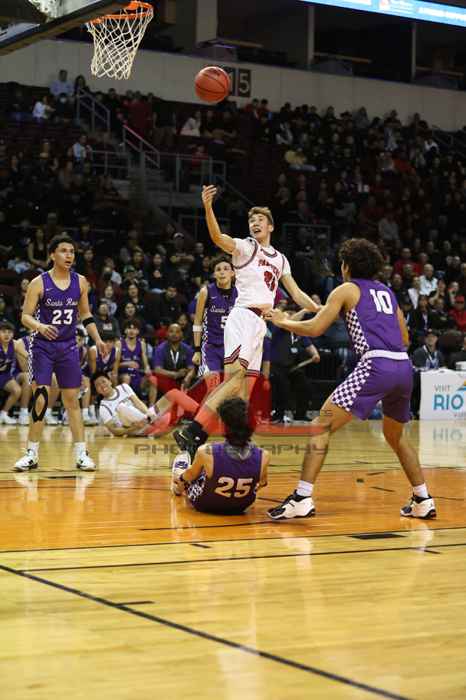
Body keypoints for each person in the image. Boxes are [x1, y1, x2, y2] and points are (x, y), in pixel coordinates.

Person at [266, 238, 436, 521]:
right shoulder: (386, 291)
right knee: (395, 436)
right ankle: (423, 499)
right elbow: (405, 337)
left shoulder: (346, 289)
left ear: (346, 266)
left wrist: (283, 321)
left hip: (376, 364)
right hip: (403, 367)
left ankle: (301, 498)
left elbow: (315, 328)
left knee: (319, 426)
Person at [174, 185, 320, 458]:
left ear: (271, 227)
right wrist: (208, 207)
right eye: (252, 220)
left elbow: (296, 293)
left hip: (260, 325)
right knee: (234, 380)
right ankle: (193, 431)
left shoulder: (281, 259)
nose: (255, 223)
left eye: (260, 220)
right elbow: (217, 237)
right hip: (242, 317)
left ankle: (235, 442)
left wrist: (319, 308)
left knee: (244, 390)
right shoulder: (245, 247)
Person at [14, 234, 106, 472]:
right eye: (64, 250)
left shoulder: (81, 282)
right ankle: (31, 454)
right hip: (42, 347)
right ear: (52, 255)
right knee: (41, 399)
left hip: (68, 347)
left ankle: (82, 454)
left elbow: (86, 315)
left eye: (72, 251)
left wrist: (97, 339)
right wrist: (40, 326)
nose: (69, 255)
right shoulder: (38, 283)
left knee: (72, 400)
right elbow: (25, 316)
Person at [172, 398, 269, 514]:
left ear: (223, 426)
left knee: (184, 472)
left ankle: (177, 485)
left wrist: (181, 479)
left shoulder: (206, 451)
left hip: (205, 504)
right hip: (241, 507)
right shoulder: (264, 455)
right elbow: (262, 483)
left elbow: (190, 476)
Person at [94, 372, 199, 438]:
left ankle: (201, 414)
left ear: (110, 381)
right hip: (134, 427)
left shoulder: (124, 387)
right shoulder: (103, 407)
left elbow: (138, 403)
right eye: (98, 385)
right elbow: (114, 430)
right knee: (121, 407)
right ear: (97, 390)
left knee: (174, 393)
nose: (102, 385)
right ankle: (157, 425)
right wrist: (131, 429)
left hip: (145, 417)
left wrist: (149, 414)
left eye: (103, 381)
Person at [192, 255, 237, 376]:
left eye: (226, 269)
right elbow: (197, 321)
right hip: (211, 347)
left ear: (232, 273)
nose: (222, 272)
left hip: (233, 347)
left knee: (231, 385)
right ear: (214, 274)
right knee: (212, 382)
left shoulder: (239, 293)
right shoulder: (206, 291)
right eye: (218, 269)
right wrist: (197, 350)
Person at [149, 323, 196, 403]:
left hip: (182, 381)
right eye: (171, 331)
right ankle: (151, 407)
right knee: (153, 379)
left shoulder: (188, 349)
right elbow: (157, 370)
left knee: (194, 379)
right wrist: (174, 374)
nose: (174, 334)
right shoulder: (160, 349)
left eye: (177, 332)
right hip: (166, 380)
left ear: (181, 334)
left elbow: (191, 368)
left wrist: (187, 376)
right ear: (167, 333)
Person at [0, 322, 29, 425]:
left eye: (9, 332)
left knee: (17, 390)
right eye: (3, 332)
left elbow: (28, 356)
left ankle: (3, 414)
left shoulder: (15, 344)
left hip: (5, 375)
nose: (7, 334)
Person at [116, 320, 151, 396]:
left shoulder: (142, 344)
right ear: (125, 330)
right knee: (127, 378)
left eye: (134, 329)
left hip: (137, 373)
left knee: (151, 379)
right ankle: (124, 399)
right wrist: (127, 363)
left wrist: (147, 368)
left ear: (138, 331)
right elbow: (114, 365)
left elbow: (146, 364)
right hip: (122, 373)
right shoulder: (119, 343)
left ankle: (147, 401)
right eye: (129, 328)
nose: (131, 331)